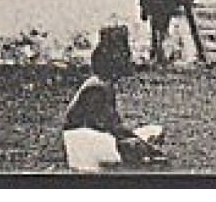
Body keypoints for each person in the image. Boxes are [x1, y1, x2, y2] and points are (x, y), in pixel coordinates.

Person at [61, 26, 167, 171]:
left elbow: (114, 126)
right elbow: (111, 128)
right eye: (125, 57)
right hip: (84, 142)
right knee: (136, 144)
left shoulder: (103, 84)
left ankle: (138, 153)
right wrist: (141, 144)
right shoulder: (97, 88)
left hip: (96, 137)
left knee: (154, 131)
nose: (129, 62)